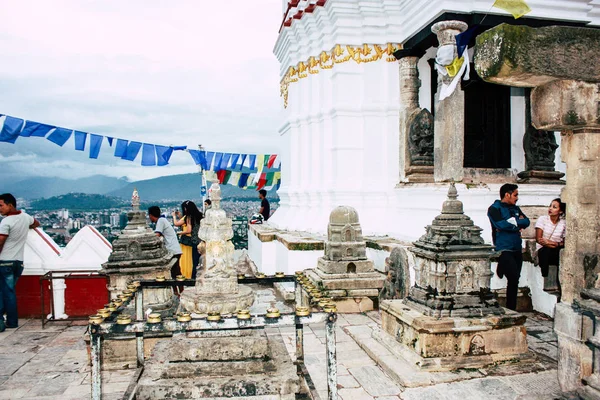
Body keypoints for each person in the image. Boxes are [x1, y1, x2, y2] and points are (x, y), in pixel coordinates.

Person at [0, 193, 40, 332]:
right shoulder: (25, 217)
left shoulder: (6, 222)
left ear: (10, 205)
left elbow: (1, 241)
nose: (0, 209)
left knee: (4, 292)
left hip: (5, 262)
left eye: (1, 205)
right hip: (18, 263)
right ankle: (12, 321)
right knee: (9, 292)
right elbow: (36, 223)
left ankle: (1, 323)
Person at [487, 184, 530, 311]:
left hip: (516, 246)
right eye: (515, 195)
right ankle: (502, 267)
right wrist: (517, 225)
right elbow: (500, 224)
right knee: (513, 275)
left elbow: (526, 221)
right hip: (504, 247)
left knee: (515, 280)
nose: (517, 198)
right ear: (507, 194)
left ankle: (511, 308)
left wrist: (513, 223)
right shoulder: (494, 209)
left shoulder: (515, 208)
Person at [535, 198, 566, 287]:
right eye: (550, 206)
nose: (550, 209)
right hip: (543, 248)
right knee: (546, 251)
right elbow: (539, 239)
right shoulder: (543, 219)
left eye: (554, 207)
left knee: (559, 253)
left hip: (556, 248)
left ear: (560, 211)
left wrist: (553, 243)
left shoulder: (563, 223)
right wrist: (551, 244)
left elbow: (564, 242)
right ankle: (545, 275)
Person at [148, 206, 182, 282]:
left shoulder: (161, 221)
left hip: (172, 250)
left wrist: (147, 236)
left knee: (175, 272)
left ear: (151, 215)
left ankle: (179, 290)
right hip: (174, 249)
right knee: (175, 271)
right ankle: (178, 290)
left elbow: (157, 234)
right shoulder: (162, 220)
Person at [173, 201, 203, 279]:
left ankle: (193, 278)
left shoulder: (189, 217)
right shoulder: (200, 215)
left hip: (194, 241)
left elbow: (189, 230)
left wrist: (180, 233)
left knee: (195, 262)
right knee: (200, 261)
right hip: (201, 240)